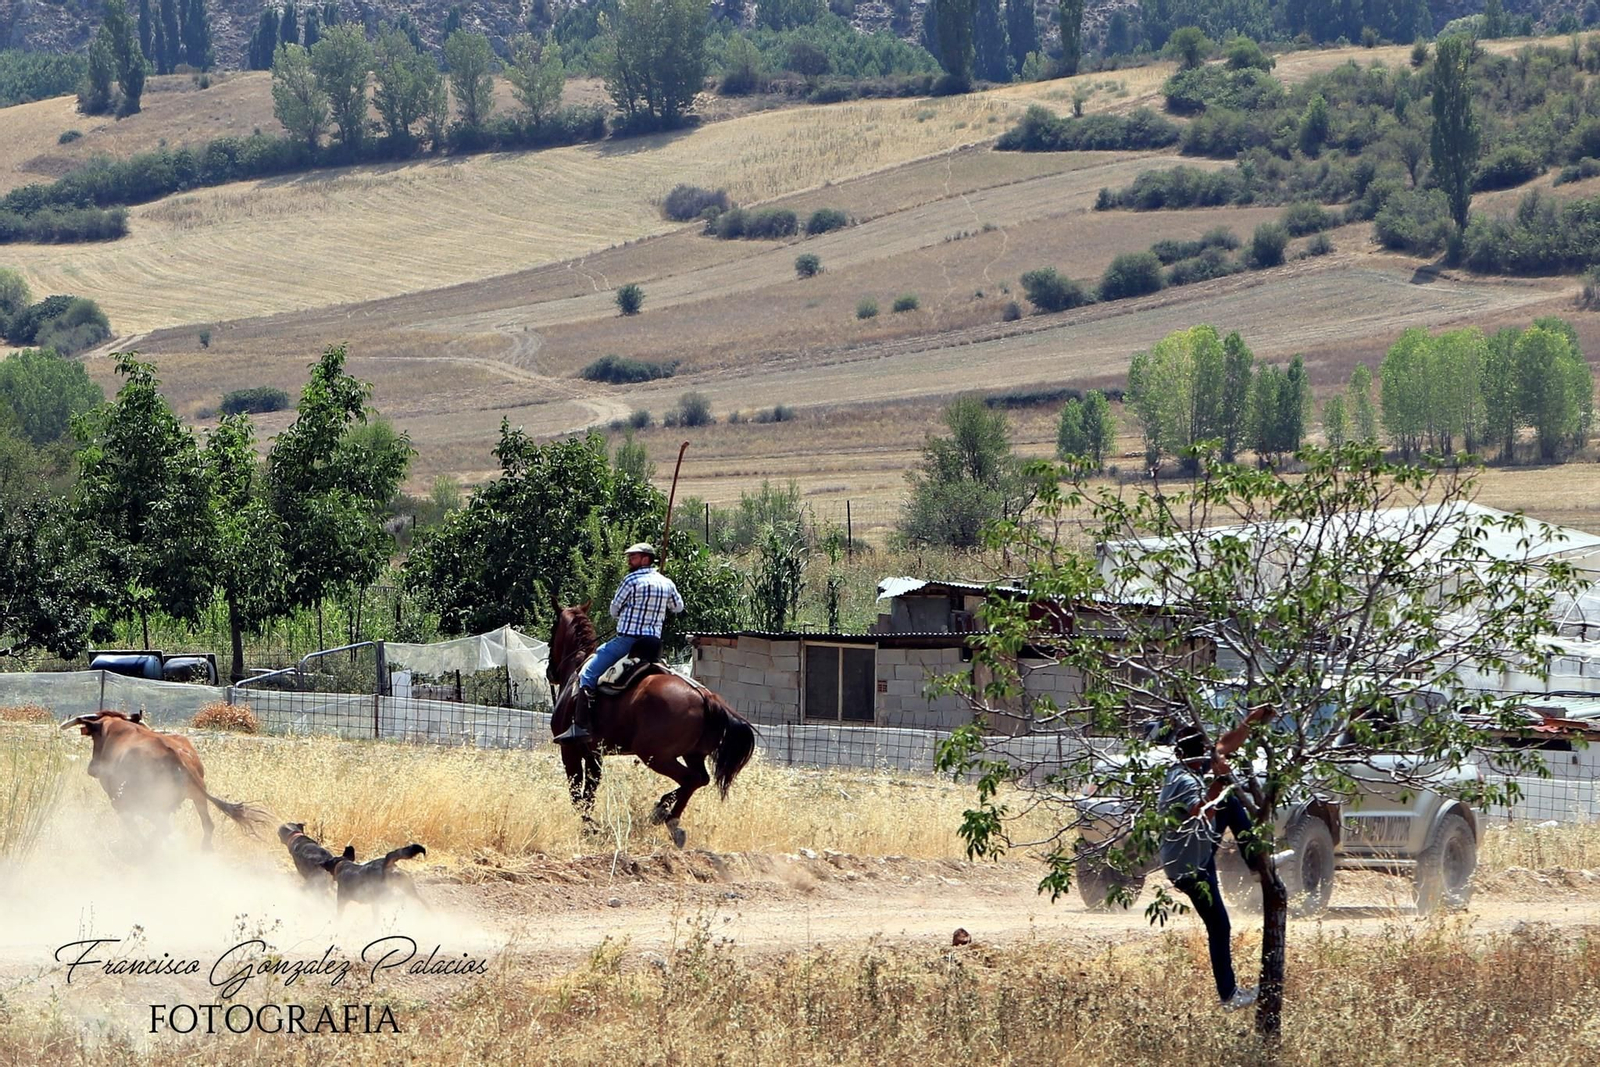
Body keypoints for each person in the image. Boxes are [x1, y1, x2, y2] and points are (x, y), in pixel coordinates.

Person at [1156, 704, 1276, 1012]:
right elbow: (1203, 811)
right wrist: (1221, 779)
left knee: (1231, 803)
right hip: (1188, 866)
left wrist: (1254, 719)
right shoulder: (1184, 780)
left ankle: (1256, 863)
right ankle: (1228, 994)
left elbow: (1227, 743)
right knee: (1219, 926)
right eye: (1208, 754)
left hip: (1199, 849)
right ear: (1199, 757)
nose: (1215, 756)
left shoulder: (1190, 765)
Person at [553, 542, 684, 744]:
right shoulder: (666, 582)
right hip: (653, 644)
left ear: (646, 559)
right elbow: (678, 607)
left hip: (627, 642)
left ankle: (580, 726)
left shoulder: (630, 580)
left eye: (634, 556)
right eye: (630, 556)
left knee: (587, 673)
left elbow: (614, 610)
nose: (629, 560)